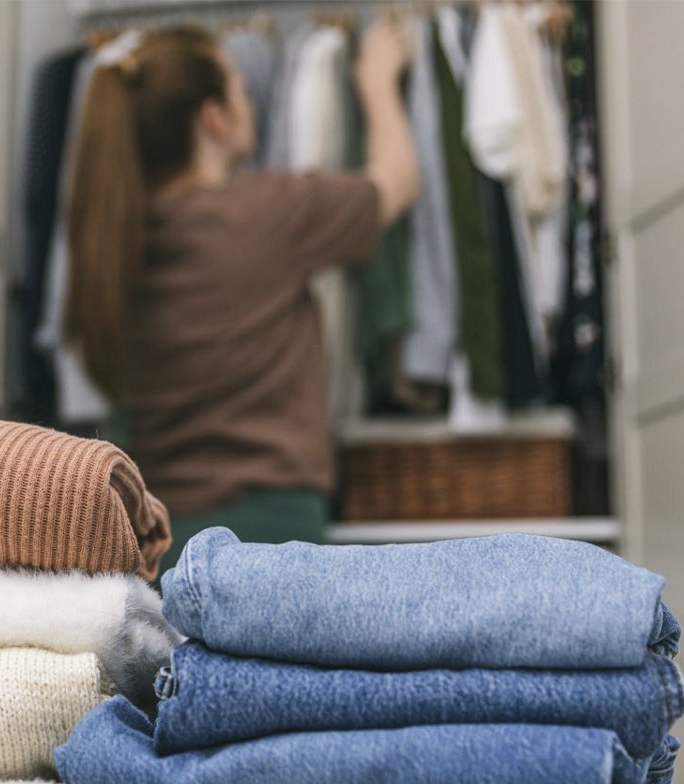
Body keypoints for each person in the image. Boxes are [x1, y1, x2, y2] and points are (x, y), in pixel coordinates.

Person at [64, 22, 421, 576]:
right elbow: (396, 182)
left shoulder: (113, 244)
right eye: (238, 86)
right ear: (214, 118)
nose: (250, 100)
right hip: (273, 536)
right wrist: (376, 79)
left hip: (155, 542)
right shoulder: (270, 212)